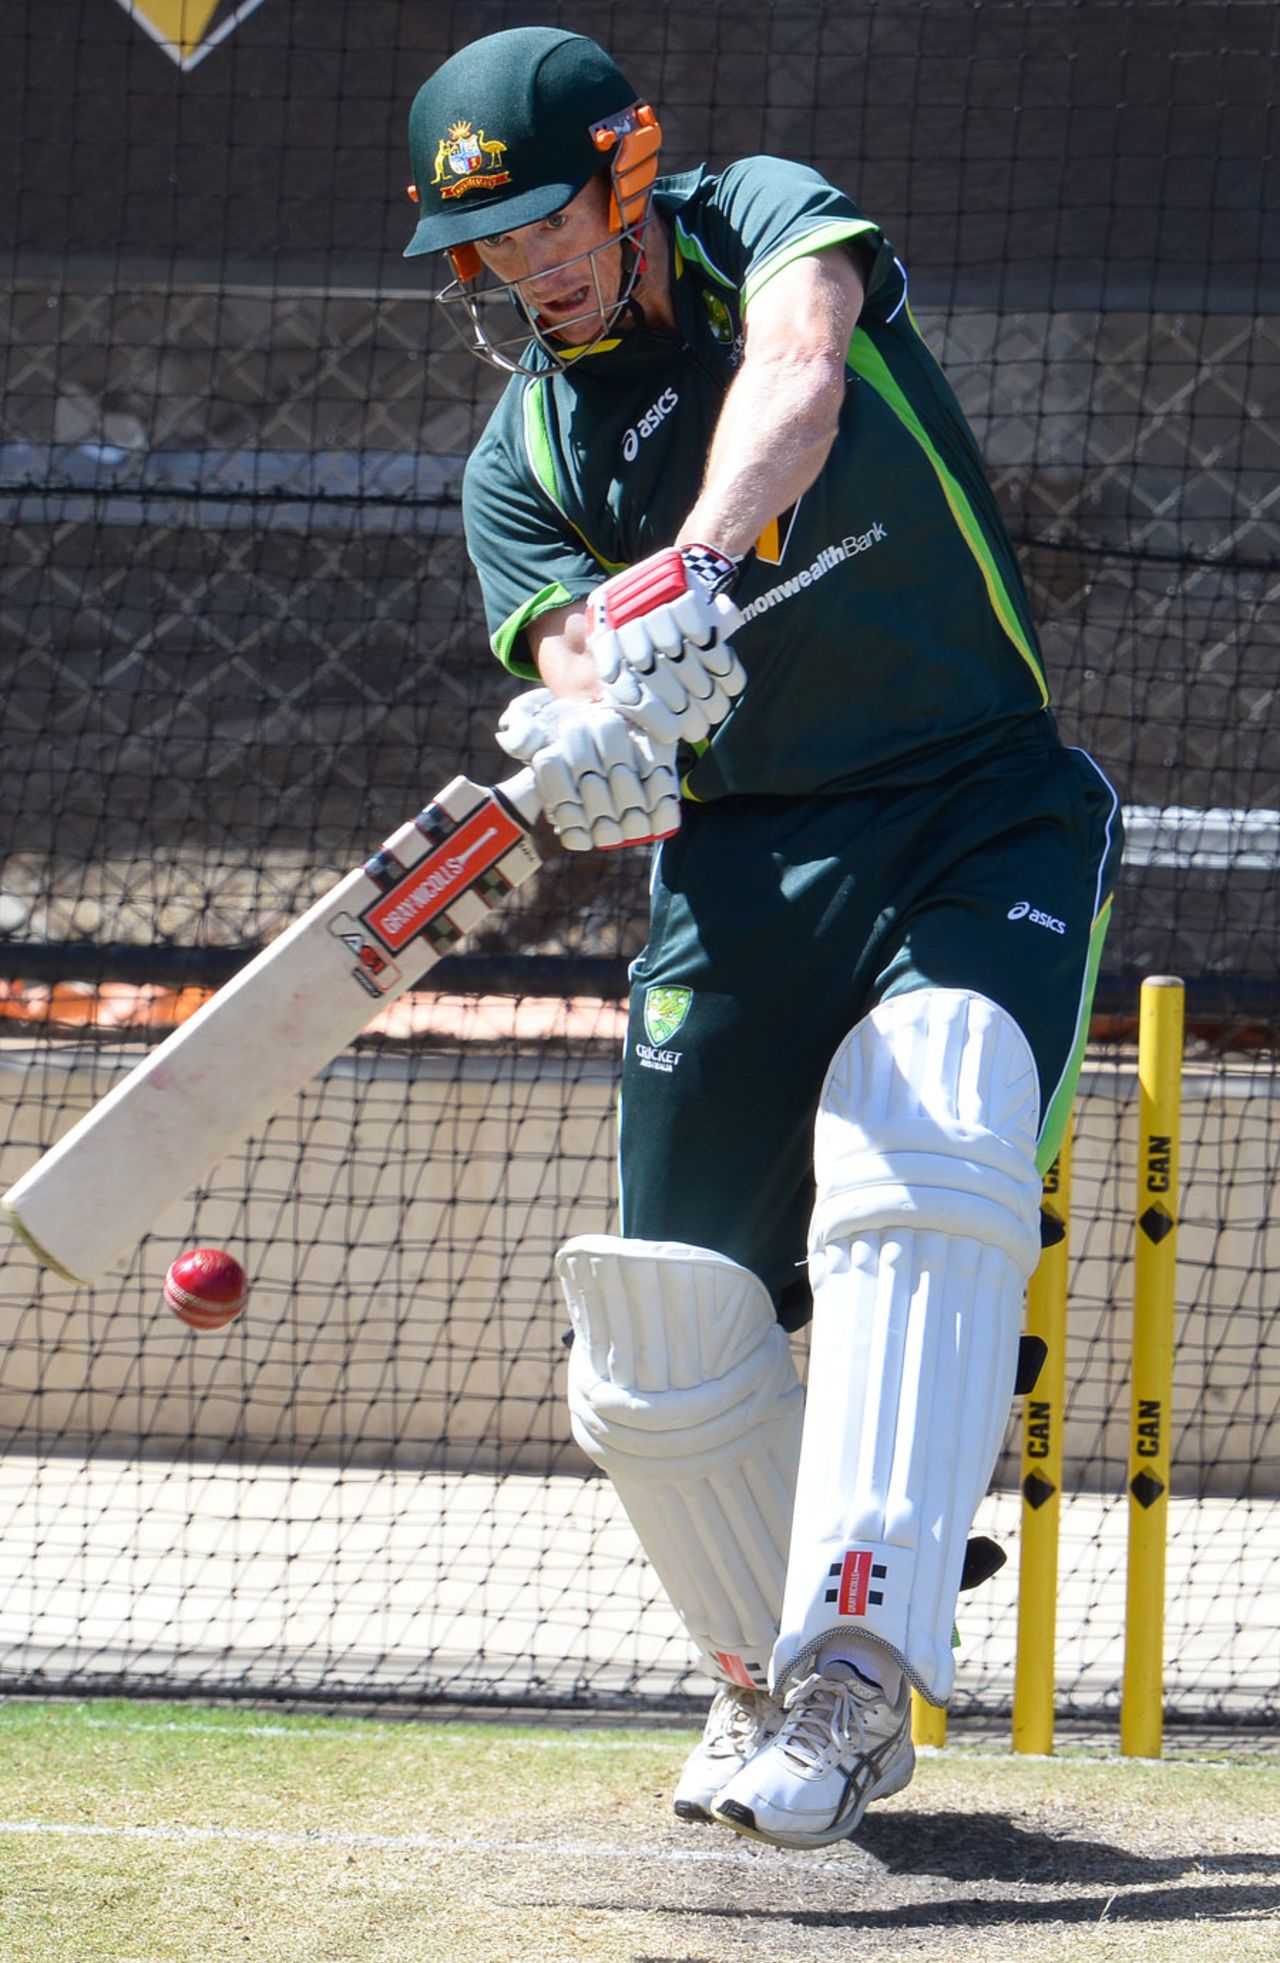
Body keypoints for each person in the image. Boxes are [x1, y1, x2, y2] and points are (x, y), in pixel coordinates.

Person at [402, 26, 1122, 1849]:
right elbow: (567, 642)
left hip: (972, 796)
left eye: (550, 218)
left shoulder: (762, 222)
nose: (530, 266)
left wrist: (697, 564)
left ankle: (858, 1683)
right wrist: (589, 706)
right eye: (489, 245)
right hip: (738, 867)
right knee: (663, 1329)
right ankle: (755, 1673)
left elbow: (801, 370)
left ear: (625, 175)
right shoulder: (519, 456)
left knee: (931, 1113)